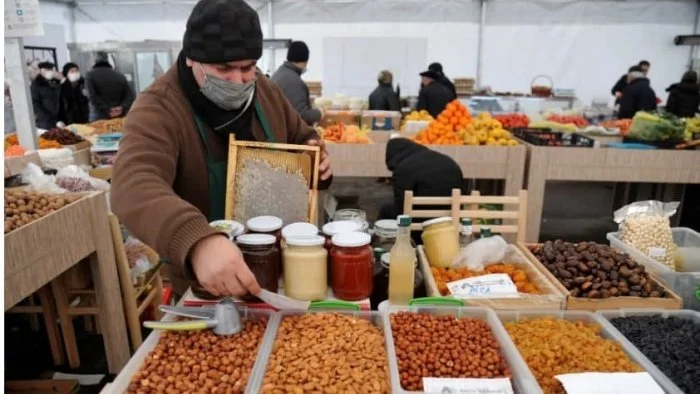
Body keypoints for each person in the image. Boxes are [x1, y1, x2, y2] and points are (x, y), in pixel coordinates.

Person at [111, 0, 333, 299]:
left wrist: (315, 157)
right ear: (192, 58)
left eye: (248, 68)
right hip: (207, 288)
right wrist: (197, 241)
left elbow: (301, 135)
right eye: (224, 68)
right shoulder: (159, 107)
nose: (239, 81)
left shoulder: (265, 90)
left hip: (279, 272)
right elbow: (134, 186)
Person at [379, 138, 463, 229]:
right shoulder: (448, 161)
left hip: (421, 228)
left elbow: (401, 209)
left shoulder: (403, 169)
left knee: (385, 210)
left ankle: (383, 241)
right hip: (451, 222)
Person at [271, 41, 322, 126]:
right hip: (287, 135)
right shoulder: (293, 81)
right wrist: (319, 113)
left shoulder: (279, 73)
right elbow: (302, 115)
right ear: (306, 61)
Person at [85, 51, 135, 121]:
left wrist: (108, 110)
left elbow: (92, 96)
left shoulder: (89, 75)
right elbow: (129, 95)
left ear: (94, 61)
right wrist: (121, 107)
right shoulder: (120, 75)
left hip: (99, 117)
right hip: (119, 116)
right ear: (107, 60)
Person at [30, 62, 62, 129]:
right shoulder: (36, 84)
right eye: (46, 70)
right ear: (40, 71)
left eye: (51, 69)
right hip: (45, 121)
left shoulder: (56, 82)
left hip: (59, 119)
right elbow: (35, 103)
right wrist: (45, 117)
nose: (49, 71)